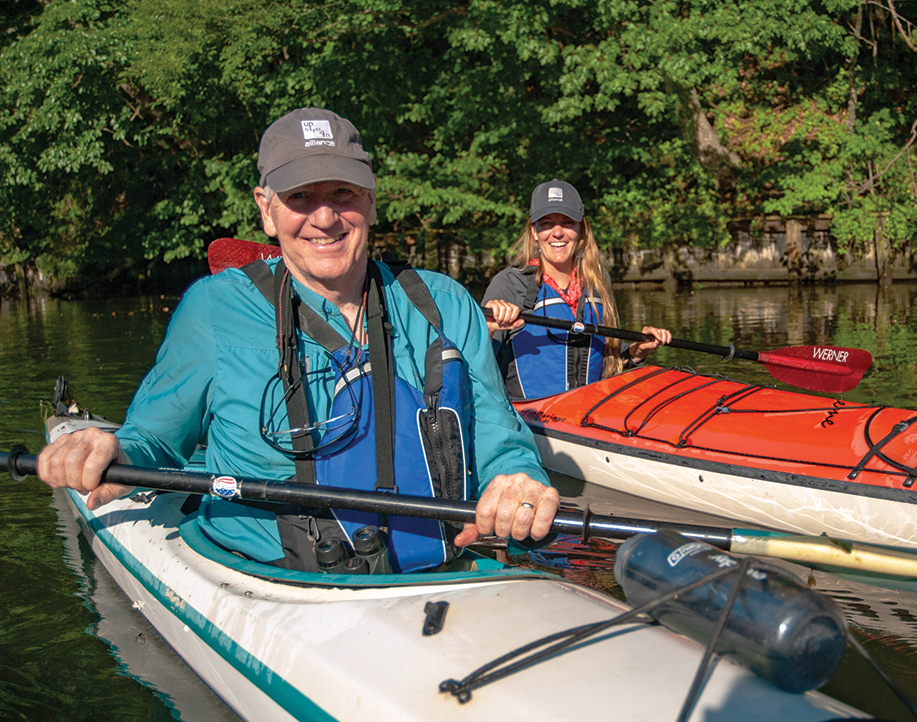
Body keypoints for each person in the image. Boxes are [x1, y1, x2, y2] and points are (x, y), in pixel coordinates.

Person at [37, 107, 559, 573]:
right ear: (267, 210)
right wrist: (114, 450)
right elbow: (155, 440)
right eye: (300, 197)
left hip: (428, 574)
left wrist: (517, 475)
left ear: (371, 203)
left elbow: (495, 426)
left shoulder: (444, 302)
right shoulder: (214, 309)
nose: (325, 216)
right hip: (264, 577)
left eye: (343, 194)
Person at [482, 179, 672, 400]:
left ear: (581, 229)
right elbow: (477, 365)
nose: (558, 233)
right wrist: (487, 329)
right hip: (529, 419)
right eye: (546, 223)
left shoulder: (598, 281)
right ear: (534, 231)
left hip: (588, 412)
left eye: (567, 222)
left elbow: (604, 361)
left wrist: (636, 351)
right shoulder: (509, 283)